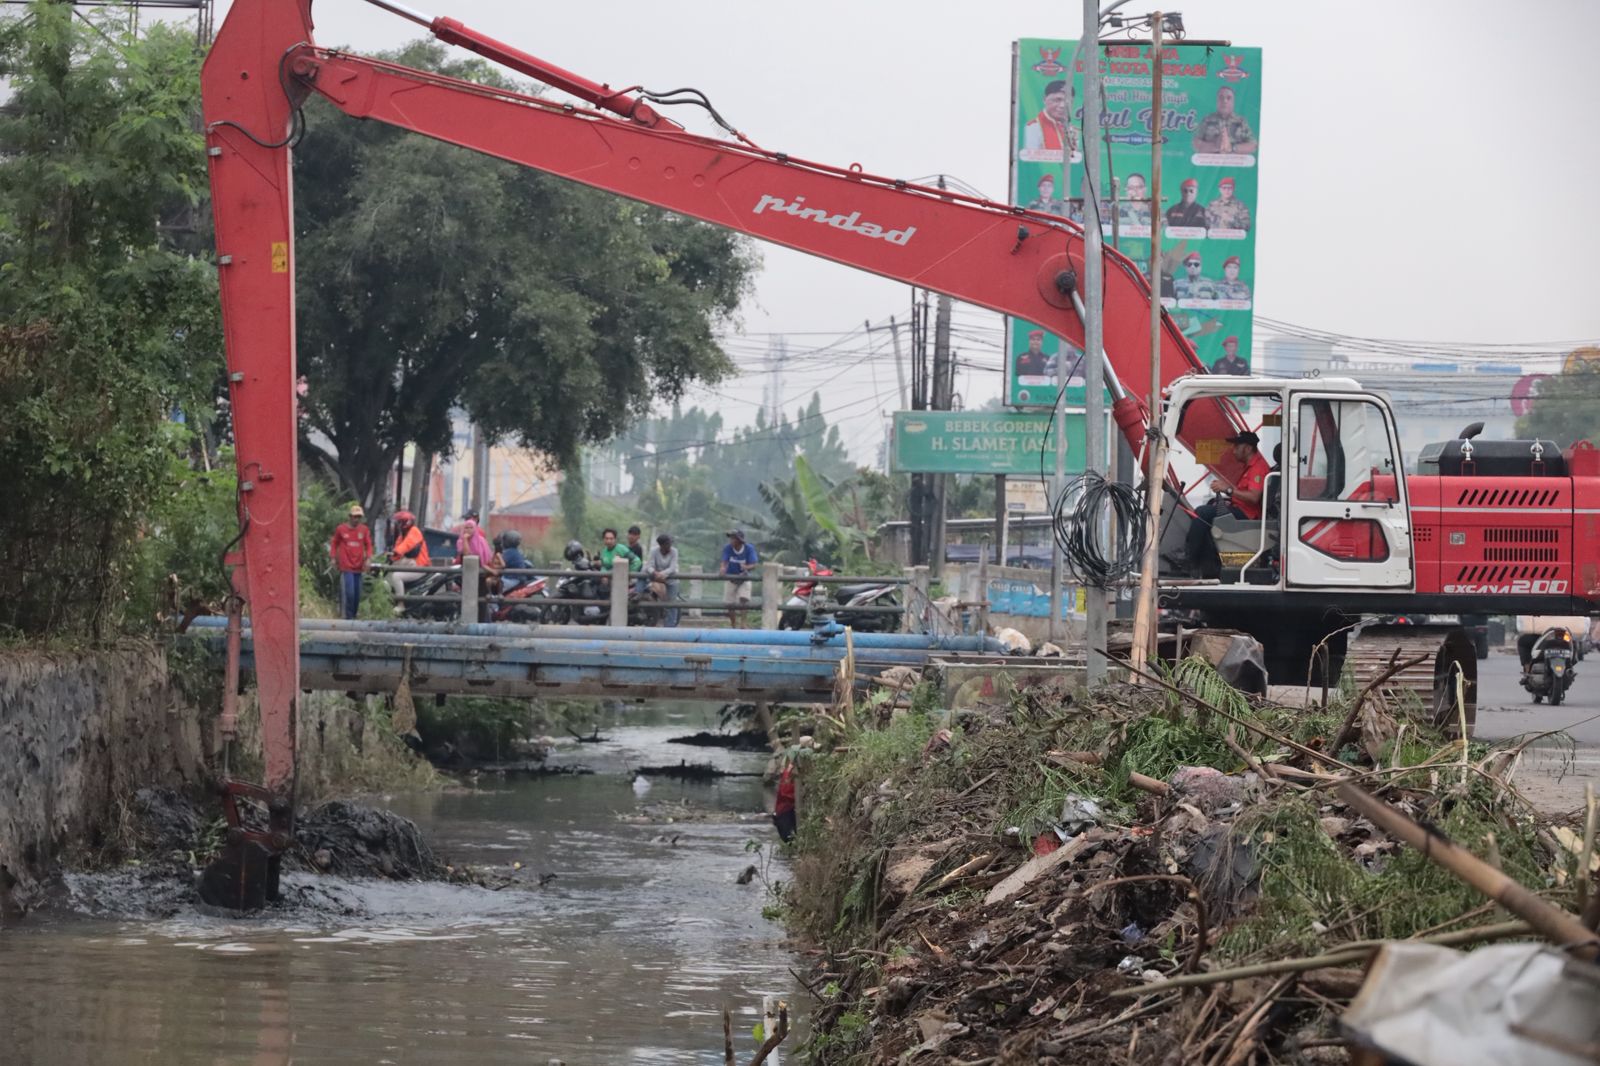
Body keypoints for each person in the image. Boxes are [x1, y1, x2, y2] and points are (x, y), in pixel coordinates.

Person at [1185, 431, 1271, 578]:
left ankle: (1190, 561)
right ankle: (1208, 567)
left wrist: (1228, 490)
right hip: (1240, 509)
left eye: (1237, 446)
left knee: (1202, 512)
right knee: (1210, 507)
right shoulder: (1249, 466)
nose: (1233, 450)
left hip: (1247, 515)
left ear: (1248, 448)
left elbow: (1253, 497)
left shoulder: (1258, 468)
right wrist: (1229, 498)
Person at [329, 504, 374, 619]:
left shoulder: (364, 530)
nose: (356, 519)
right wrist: (333, 558)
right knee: (349, 593)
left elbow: (369, 545)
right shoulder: (341, 529)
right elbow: (334, 543)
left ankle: (353, 617)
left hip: (358, 567)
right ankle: (347, 618)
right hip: (346, 567)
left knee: (357, 596)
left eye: (359, 517)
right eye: (354, 516)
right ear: (350, 516)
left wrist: (368, 558)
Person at [771, 736, 813, 843]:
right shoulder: (791, 772)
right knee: (791, 841)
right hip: (785, 814)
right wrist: (803, 793)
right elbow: (786, 793)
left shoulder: (797, 769)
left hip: (789, 813)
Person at [1193, 86, 1258, 155]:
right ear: (1217, 101)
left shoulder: (1241, 122)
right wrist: (1215, 146)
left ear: (1233, 102)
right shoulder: (1207, 120)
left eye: (1229, 98)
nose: (1224, 101)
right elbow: (1196, 143)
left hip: (1234, 161)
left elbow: (1253, 145)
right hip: (1211, 160)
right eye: (1221, 98)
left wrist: (1232, 147)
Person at [1022, 79, 1078, 158]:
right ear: (1044, 99)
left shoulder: (1073, 130)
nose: (1062, 106)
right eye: (1057, 100)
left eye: (1068, 101)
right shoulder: (1032, 128)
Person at [387, 510, 430, 603]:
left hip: (420, 566)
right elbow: (398, 548)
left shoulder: (414, 531)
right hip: (412, 566)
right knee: (390, 571)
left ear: (405, 523)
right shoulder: (402, 535)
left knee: (396, 577)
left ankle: (400, 604)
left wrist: (396, 552)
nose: (398, 525)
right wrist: (391, 556)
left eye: (399, 522)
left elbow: (406, 545)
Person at [720, 528, 759, 628]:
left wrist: (746, 567)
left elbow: (754, 564)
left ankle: (743, 623)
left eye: (733, 538)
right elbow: (724, 561)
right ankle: (733, 624)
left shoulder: (749, 548)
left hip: (744, 577)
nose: (731, 540)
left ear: (739, 540)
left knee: (744, 599)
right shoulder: (728, 548)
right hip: (731, 578)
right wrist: (723, 568)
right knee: (730, 604)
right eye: (731, 538)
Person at [646, 533, 681, 627]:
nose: (669, 546)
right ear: (661, 545)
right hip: (655, 575)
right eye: (667, 544)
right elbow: (649, 565)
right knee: (643, 574)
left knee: (672, 601)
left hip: (670, 577)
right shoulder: (654, 551)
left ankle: (670, 626)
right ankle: (638, 591)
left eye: (670, 543)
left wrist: (662, 574)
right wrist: (654, 572)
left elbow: (673, 567)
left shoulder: (674, 551)